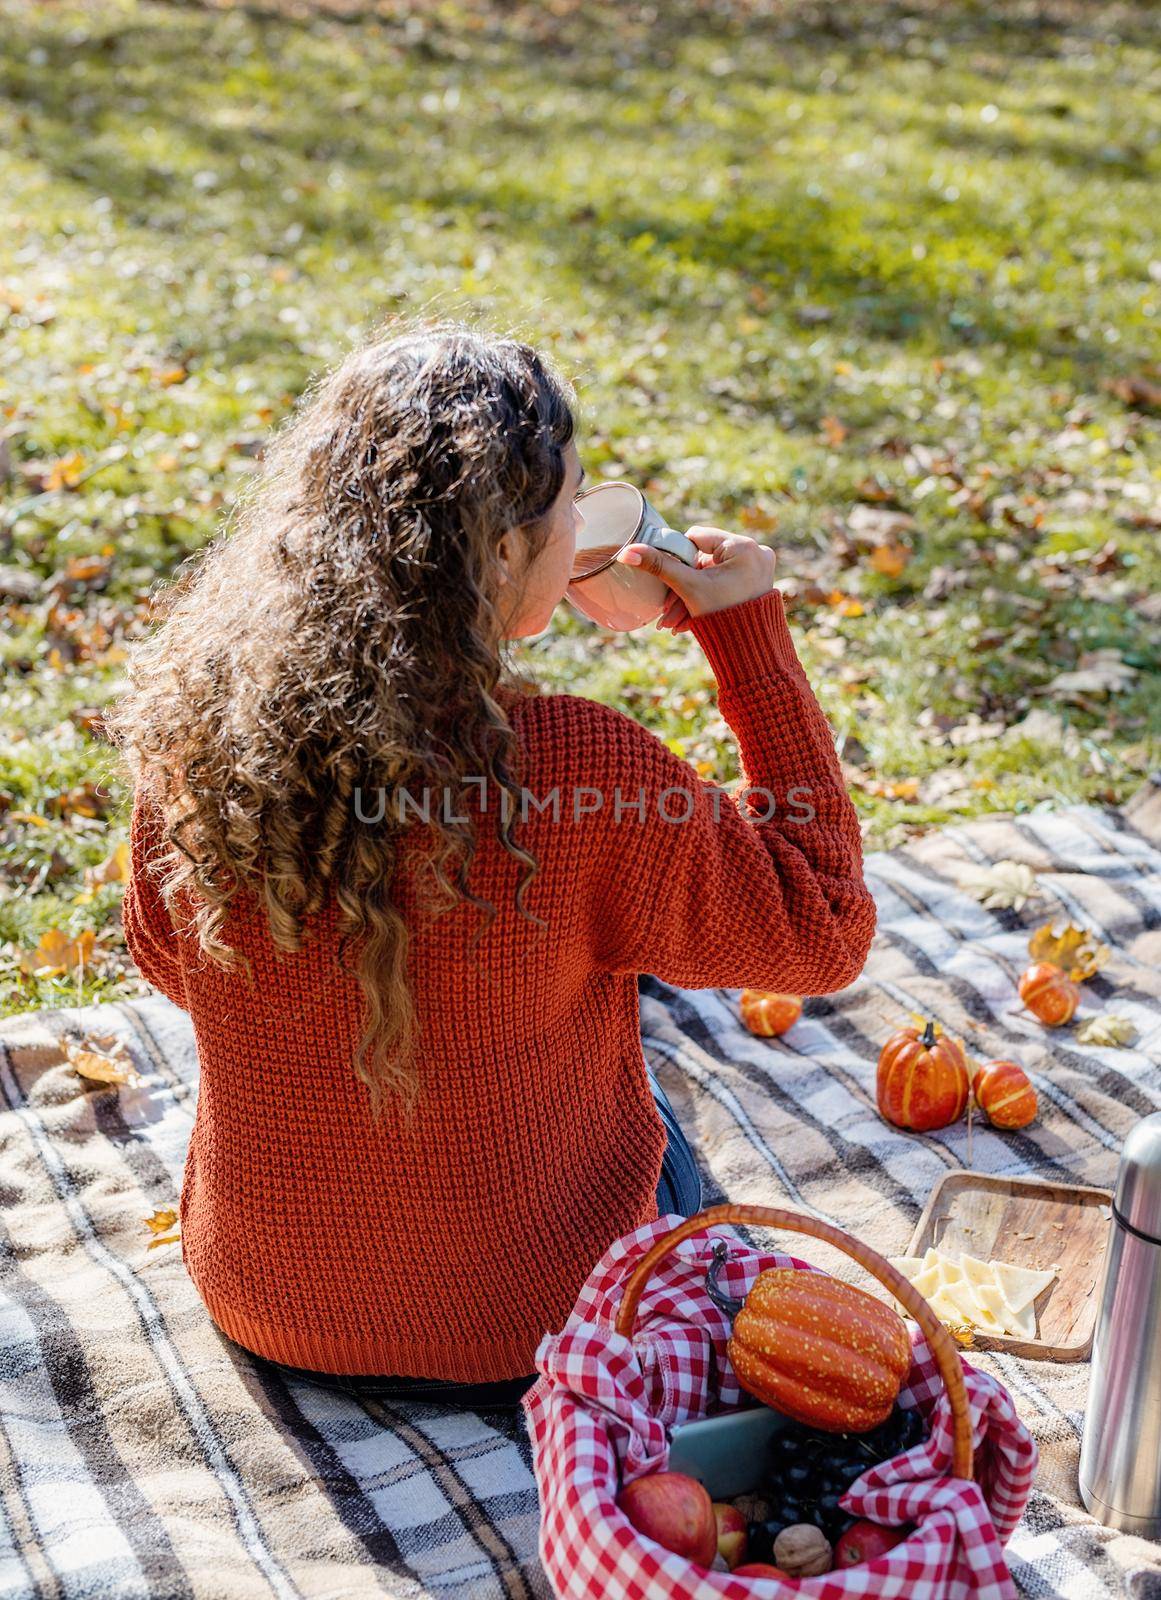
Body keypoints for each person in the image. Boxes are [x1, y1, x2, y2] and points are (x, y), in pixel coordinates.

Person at [107, 315, 876, 1412]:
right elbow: (826, 924)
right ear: (507, 552)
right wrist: (746, 632)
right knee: (622, 997)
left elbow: (169, 959)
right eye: (570, 505)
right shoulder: (578, 771)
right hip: (542, 1313)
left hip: (267, 1301)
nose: (583, 525)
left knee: (584, 944)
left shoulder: (195, 733)